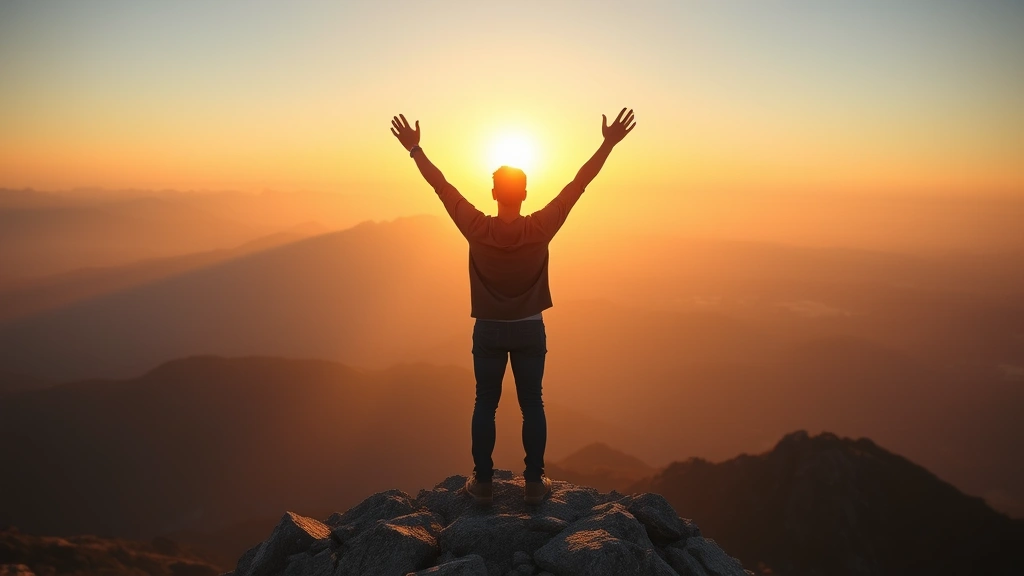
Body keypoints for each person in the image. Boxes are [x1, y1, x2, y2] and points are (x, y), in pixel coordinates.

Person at [390, 108, 636, 505]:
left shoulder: (476, 227)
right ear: (523, 194)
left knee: (484, 402)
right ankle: (535, 483)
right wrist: (608, 142)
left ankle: (483, 483)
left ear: (493, 194)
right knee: (531, 403)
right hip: (528, 328)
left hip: (487, 328)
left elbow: (442, 186)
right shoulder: (541, 227)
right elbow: (579, 183)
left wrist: (415, 148)